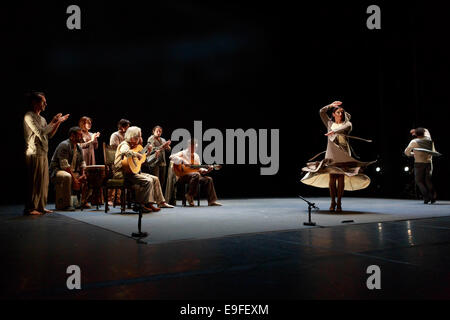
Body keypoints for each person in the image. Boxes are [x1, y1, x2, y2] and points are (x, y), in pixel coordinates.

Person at [301, 101, 375, 212]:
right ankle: (332, 201)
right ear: (333, 114)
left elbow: (346, 127)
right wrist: (331, 105)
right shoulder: (329, 124)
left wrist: (333, 132)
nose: (340, 113)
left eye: (342, 112)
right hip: (331, 154)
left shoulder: (347, 124)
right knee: (332, 179)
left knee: (340, 178)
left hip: (344, 154)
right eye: (338, 112)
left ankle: (339, 202)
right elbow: (321, 112)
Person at [23, 91, 69, 215]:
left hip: (43, 152)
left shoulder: (42, 118)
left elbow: (48, 135)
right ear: (35, 102)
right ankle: (30, 208)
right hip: (34, 152)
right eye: (43, 102)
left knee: (44, 182)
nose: (45, 104)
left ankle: (40, 206)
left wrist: (57, 122)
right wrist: (53, 121)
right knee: (34, 181)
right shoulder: (29, 116)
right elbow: (40, 132)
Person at [113, 126, 174, 212]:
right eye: (138, 137)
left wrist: (148, 153)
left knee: (155, 179)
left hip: (133, 172)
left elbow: (143, 161)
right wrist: (136, 154)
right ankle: (141, 204)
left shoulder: (135, 146)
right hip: (123, 173)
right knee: (147, 181)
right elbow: (124, 152)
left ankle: (160, 202)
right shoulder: (124, 144)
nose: (140, 139)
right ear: (132, 137)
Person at [169, 139, 222, 207]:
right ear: (189, 146)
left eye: (196, 147)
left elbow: (199, 169)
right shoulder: (183, 153)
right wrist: (183, 160)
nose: (195, 149)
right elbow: (171, 157)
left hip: (195, 177)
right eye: (193, 147)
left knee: (208, 179)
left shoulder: (196, 156)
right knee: (196, 174)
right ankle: (190, 195)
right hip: (183, 176)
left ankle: (211, 201)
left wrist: (207, 170)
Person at [49, 127, 87, 210]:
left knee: (88, 176)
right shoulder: (64, 145)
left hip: (72, 171)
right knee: (67, 176)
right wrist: (75, 180)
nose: (82, 136)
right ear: (72, 135)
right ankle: (66, 204)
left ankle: (82, 201)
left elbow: (82, 163)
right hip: (58, 170)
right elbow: (64, 165)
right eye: (80, 134)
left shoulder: (78, 147)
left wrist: (83, 174)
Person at [404, 127, 438, 204]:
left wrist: (413, 154)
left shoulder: (414, 141)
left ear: (416, 134)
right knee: (428, 180)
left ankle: (427, 197)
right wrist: (416, 130)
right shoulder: (429, 140)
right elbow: (433, 151)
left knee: (419, 181)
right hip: (429, 162)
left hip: (419, 163)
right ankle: (433, 197)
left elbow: (406, 152)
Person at [108, 119, 130, 205]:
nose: (128, 129)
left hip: (124, 160)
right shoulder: (115, 135)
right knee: (119, 174)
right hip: (115, 160)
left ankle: (121, 198)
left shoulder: (126, 135)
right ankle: (112, 198)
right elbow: (115, 149)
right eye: (127, 127)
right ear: (121, 127)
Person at [145, 125, 171, 190]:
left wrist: (168, 147)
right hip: (154, 162)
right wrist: (163, 146)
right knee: (156, 180)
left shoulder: (163, 139)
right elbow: (152, 149)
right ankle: (154, 198)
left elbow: (168, 150)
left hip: (163, 162)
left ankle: (159, 197)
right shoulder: (151, 139)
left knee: (162, 181)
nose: (159, 133)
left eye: (160, 131)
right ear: (153, 131)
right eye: (157, 131)